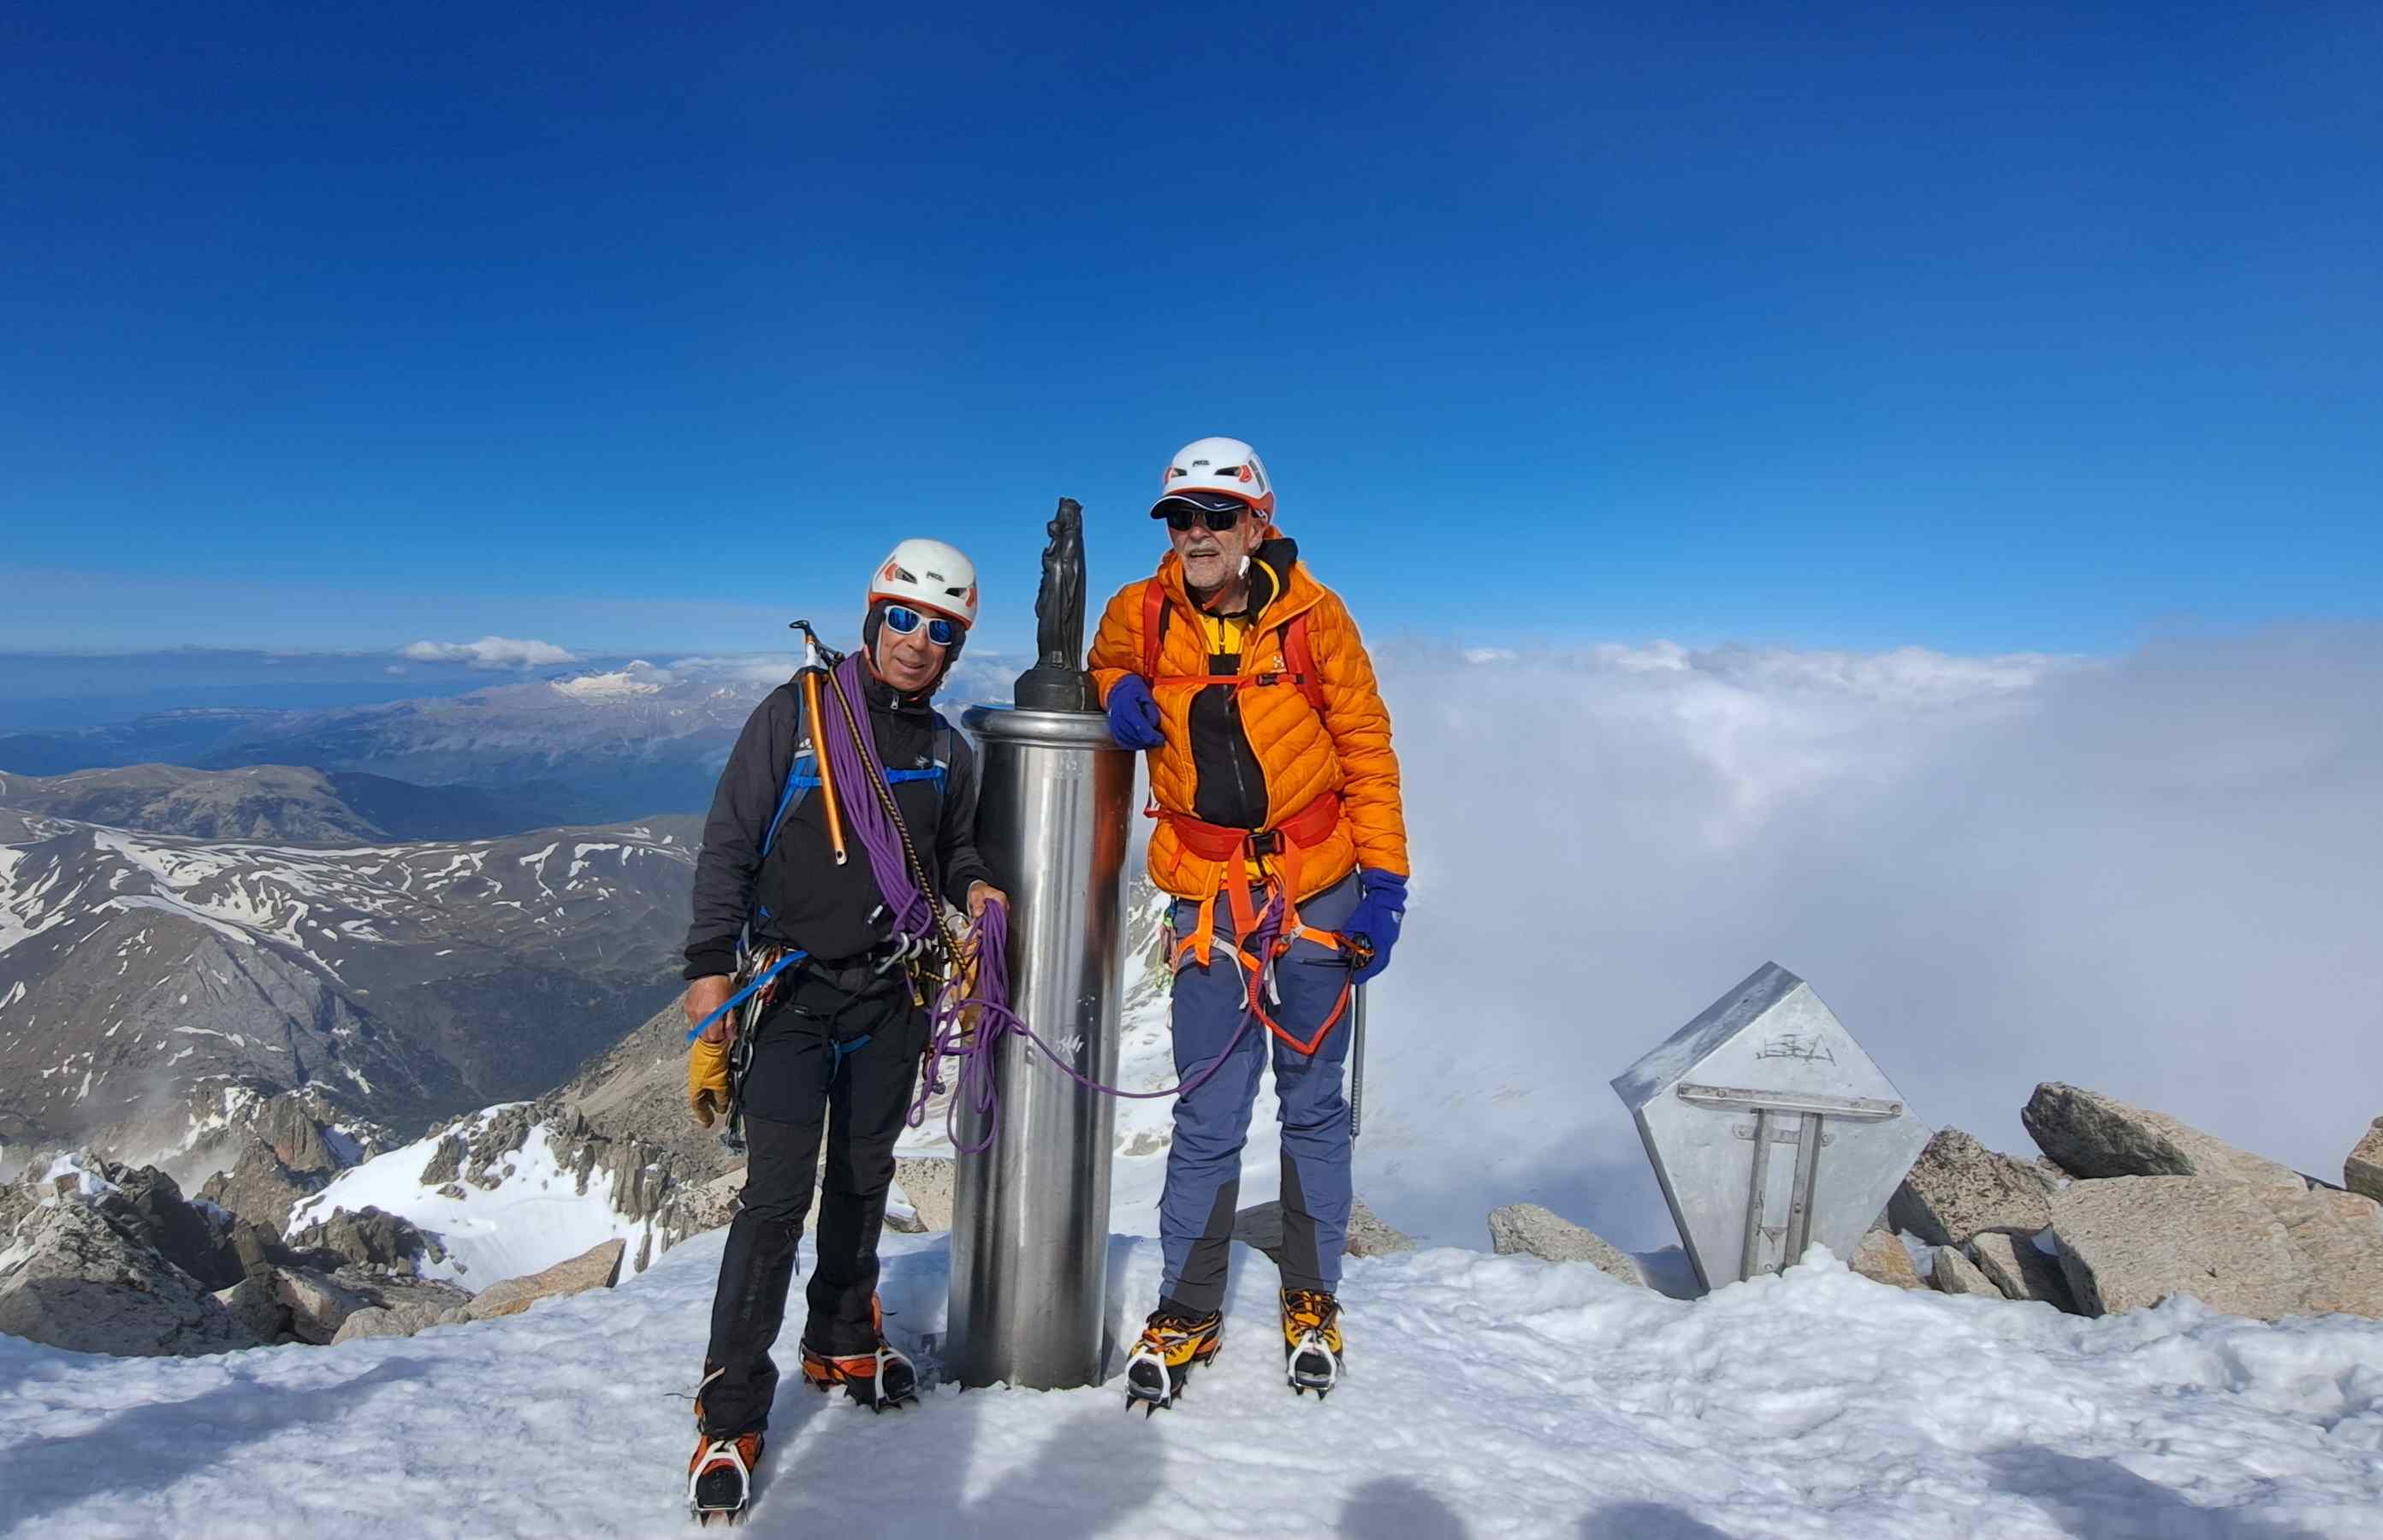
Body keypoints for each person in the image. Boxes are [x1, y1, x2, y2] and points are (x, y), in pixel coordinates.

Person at [680, 538, 1005, 1519]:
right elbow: (730, 845)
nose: (918, 642)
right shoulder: (797, 716)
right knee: (776, 1201)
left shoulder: (945, 747)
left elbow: (948, 847)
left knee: (864, 1176)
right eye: (904, 619)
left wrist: (976, 887)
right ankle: (730, 1411)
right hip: (788, 996)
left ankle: (838, 1339)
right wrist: (707, 980)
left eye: (940, 630)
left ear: (956, 647)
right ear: (872, 619)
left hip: (889, 998)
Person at [1087, 437, 1409, 1411]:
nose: (1194, 535)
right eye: (1180, 517)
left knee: (1312, 1101)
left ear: (1257, 522)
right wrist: (1113, 688)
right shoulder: (1138, 616)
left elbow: (1365, 747)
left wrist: (1386, 882)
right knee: (1209, 1110)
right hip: (1206, 899)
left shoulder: (1316, 618)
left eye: (1214, 517)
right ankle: (1188, 1302)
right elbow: (1103, 659)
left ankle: (1312, 1295)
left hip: (1317, 887)